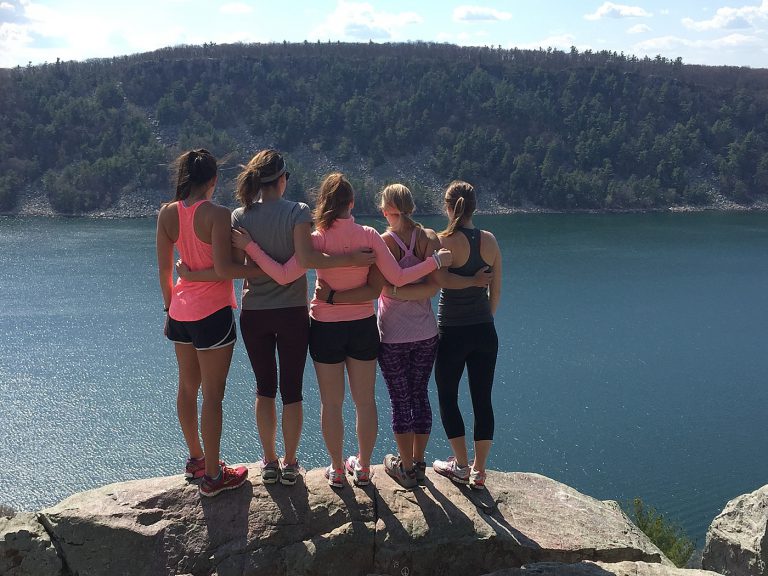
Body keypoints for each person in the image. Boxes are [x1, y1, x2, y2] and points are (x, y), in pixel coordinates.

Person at [233, 173, 452, 488]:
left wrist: (250, 246)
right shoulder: (370, 236)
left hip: (325, 327)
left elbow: (283, 273)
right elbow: (399, 279)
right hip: (363, 326)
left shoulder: (316, 239)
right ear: (352, 203)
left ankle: (337, 469)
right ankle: (363, 468)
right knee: (365, 402)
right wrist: (434, 262)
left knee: (331, 404)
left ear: (325, 203)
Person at [178, 150, 375, 487]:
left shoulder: (239, 216)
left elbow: (238, 268)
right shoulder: (298, 212)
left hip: (255, 313)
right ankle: (290, 462)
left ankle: (269, 461)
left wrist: (248, 252)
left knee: (264, 388)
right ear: (282, 179)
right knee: (292, 391)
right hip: (292, 314)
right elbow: (304, 260)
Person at [315, 184, 491, 489]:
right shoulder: (428, 238)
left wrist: (395, 292)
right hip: (425, 332)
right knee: (419, 396)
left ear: (385, 210)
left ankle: (404, 466)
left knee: (398, 400)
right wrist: (426, 277)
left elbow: (385, 285)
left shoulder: (383, 240)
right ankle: (418, 461)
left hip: (392, 333)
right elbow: (435, 286)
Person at [155, 148, 253, 497]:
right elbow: (226, 270)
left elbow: (166, 269)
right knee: (213, 395)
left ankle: (196, 459)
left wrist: (172, 307)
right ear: (213, 180)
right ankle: (214, 476)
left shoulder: (167, 214)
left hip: (179, 312)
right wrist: (260, 269)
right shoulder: (218, 214)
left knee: (187, 387)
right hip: (213, 313)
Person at [431, 180, 502, 490]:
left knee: (448, 396)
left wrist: (468, 281)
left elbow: (440, 280)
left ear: (448, 207)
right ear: (476, 206)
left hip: (451, 332)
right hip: (485, 331)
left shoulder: (443, 241)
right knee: (482, 399)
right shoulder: (490, 241)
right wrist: (483, 311)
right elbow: (495, 290)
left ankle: (460, 465)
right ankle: (480, 470)